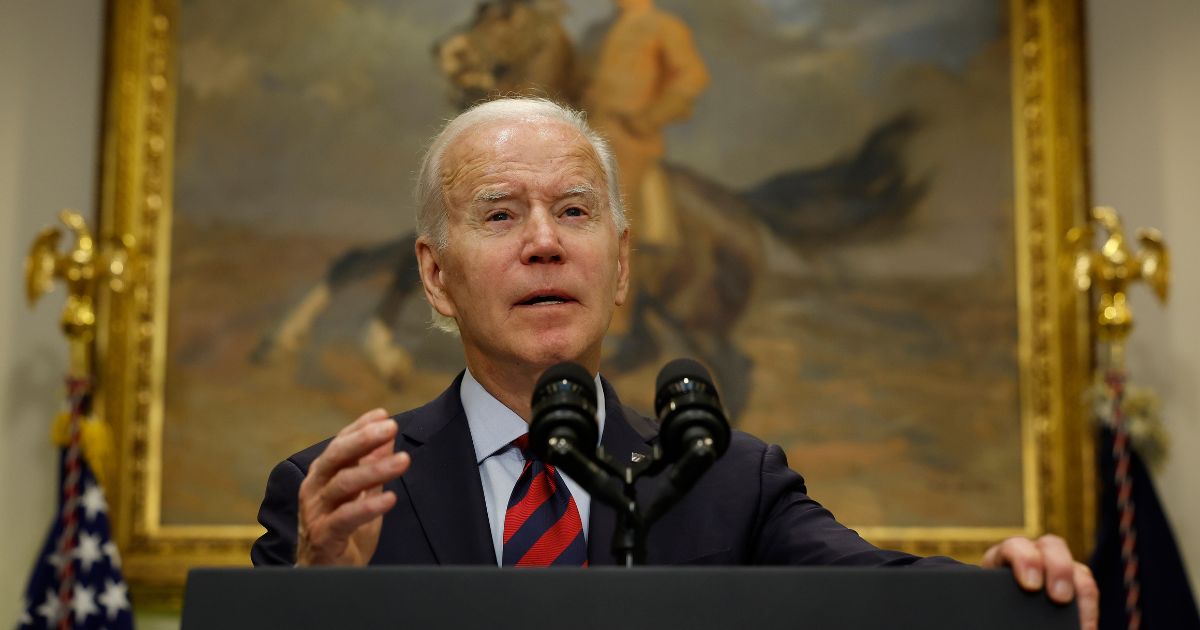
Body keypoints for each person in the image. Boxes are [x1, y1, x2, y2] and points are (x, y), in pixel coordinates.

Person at [251, 97, 1097, 629]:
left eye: (574, 211)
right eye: (502, 215)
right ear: (436, 275)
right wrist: (318, 594)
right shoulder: (335, 496)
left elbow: (882, 598)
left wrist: (996, 593)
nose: (545, 243)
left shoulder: (733, 481)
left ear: (620, 265)